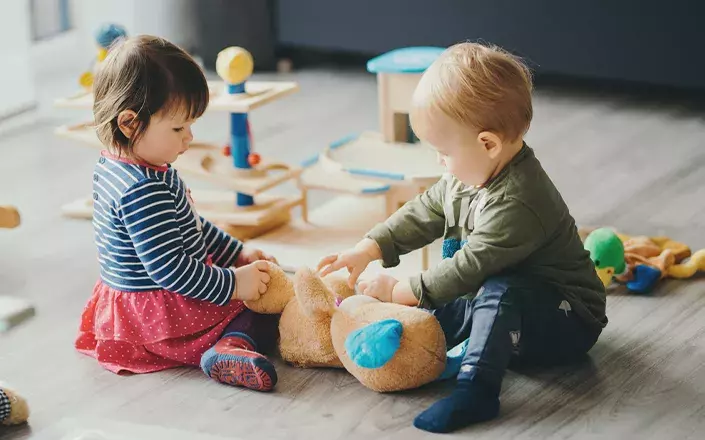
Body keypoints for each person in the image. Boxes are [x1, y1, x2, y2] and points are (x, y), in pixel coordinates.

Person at [318, 42, 607, 433]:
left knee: (492, 286)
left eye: (443, 151)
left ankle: (477, 390)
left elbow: (472, 269)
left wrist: (400, 289)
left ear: (487, 143)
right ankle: (405, 346)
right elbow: (426, 211)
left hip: (568, 320)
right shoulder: (467, 174)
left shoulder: (520, 200)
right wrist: (368, 248)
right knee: (453, 288)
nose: (439, 162)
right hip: (505, 299)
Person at [75, 35, 280, 392]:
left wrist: (235, 252)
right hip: (160, 314)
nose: (189, 137)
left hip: (135, 309)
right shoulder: (142, 188)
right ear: (129, 123)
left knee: (258, 291)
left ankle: (226, 341)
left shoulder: (127, 164)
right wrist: (235, 283)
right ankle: (228, 346)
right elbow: (172, 270)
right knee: (263, 308)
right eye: (178, 128)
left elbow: (189, 224)